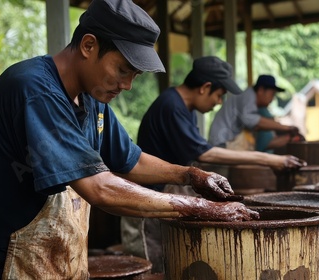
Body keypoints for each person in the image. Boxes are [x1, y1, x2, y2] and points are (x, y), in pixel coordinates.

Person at [0, 1, 258, 279]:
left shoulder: (93, 100)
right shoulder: (34, 89)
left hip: (50, 261)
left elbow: (133, 160)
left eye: (135, 75)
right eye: (123, 69)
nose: (127, 85)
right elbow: (99, 187)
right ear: (89, 45)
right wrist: (202, 208)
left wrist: (191, 175)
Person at [122, 56, 306, 272]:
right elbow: (206, 154)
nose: (219, 102)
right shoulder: (171, 106)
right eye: (219, 95)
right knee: (149, 267)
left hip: (162, 196)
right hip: (146, 199)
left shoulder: (183, 108)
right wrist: (270, 159)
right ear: (205, 87)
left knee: (167, 263)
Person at [209, 74, 303, 150]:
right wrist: (287, 128)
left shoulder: (252, 103)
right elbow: (253, 121)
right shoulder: (248, 97)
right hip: (221, 143)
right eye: (272, 94)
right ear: (261, 90)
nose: (272, 98)